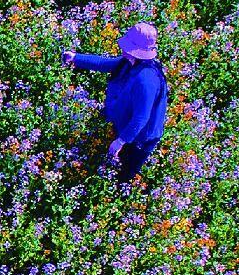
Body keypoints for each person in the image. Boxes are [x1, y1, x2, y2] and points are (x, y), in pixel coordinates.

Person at [62, 23, 168, 184]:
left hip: (139, 138)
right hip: (124, 124)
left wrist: (120, 141)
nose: (123, 49)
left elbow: (141, 117)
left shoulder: (146, 79)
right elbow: (104, 64)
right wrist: (75, 58)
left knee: (124, 175)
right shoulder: (129, 62)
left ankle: (120, 194)